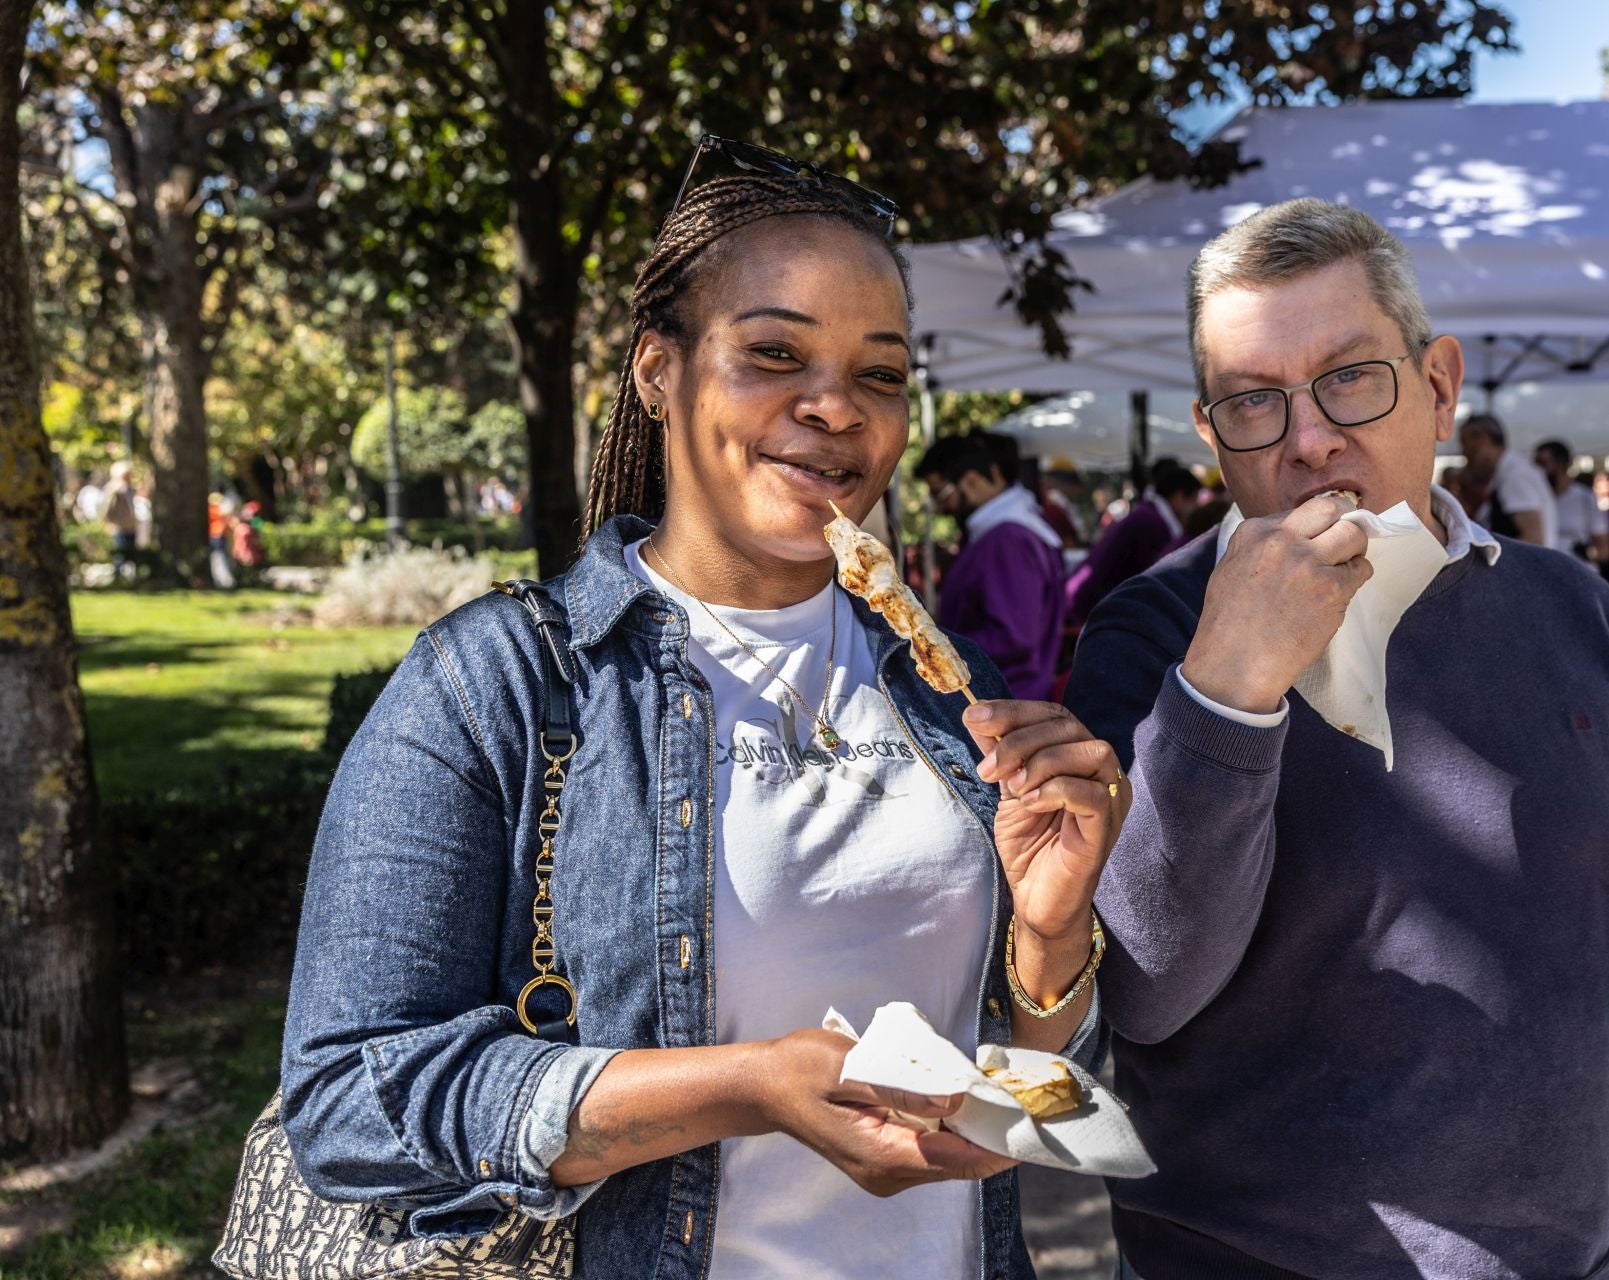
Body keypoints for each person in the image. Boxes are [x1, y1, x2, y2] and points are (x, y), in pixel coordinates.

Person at [280, 152, 1128, 1280]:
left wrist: (1052, 934)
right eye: (775, 353)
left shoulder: (946, 683)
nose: (833, 407)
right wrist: (745, 1086)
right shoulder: (497, 685)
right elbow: (348, 1096)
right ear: (657, 371)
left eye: (879, 376)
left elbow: (1028, 1075)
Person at [1052, 197, 1609, 1280]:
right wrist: (1227, 683)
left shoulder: (1574, 608)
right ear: (1211, 432)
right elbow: (1145, 985)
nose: (1309, 435)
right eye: (1253, 402)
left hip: (1568, 1253)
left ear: (1441, 385)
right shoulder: (1154, 628)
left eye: (1350, 376)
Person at [915, 433, 1068, 701]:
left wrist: (935, 644)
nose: (939, 507)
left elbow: (1014, 636)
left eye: (940, 493)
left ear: (971, 481)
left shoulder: (1008, 539)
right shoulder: (1012, 531)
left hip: (1003, 698)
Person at [1066, 459, 1202, 625]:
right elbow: (1158, 586)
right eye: (1195, 501)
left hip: (1090, 602)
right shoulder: (1153, 524)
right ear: (1180, 497)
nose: (1196, 508)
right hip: (1093, 610)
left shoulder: (1149, 514)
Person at [1458, 412, 1556, 547]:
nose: (1464, 452)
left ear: (1482, 440)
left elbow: (1533, 538)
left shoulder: (1514, 476)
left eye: (1465, 443)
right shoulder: (1511, 471)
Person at [1535, 438, 1609, 563]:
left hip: (1576, 574)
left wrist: (1587, 553)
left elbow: (1605, 549)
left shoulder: (1585, 498)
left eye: (1542, 464)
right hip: (1543, 573)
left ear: (1561, 464)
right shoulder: (1532, 499)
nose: (1537, 470)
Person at [101, 460, 140, 581]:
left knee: (130, 554)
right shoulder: (115, 489)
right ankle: (117, 578)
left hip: (130, 526)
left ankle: (129, 578)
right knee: (120, 555)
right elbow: (107, 510)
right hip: (119, 528)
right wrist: (111, 524)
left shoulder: (129, 489)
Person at [1039, 456, 1089, 549]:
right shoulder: (1054, 505)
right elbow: (1069, 543)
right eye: (1077, 486)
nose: (1079, 492)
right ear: (1065, 484)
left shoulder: (1053, 501)